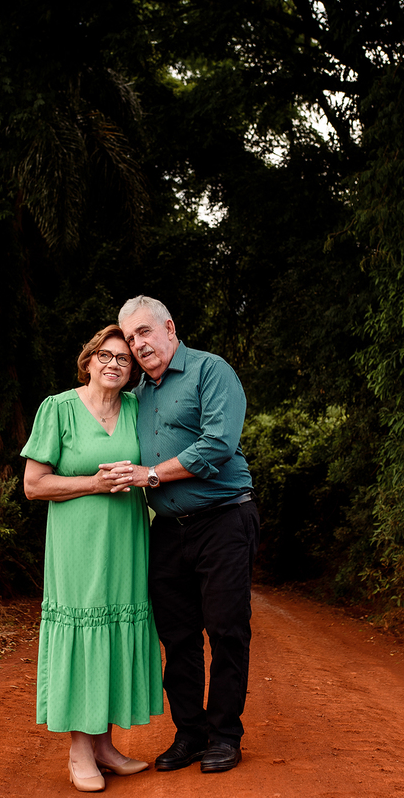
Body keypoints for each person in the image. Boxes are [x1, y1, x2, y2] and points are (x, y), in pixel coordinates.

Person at [100, 295, 260, 775]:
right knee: (178, 636)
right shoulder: (139, 394)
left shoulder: (211, 371)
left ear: (169, 327)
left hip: (224, 518)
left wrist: (150, 475)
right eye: (130, 338)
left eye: (144, 332)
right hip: (168, 529)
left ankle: (225, 736)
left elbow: (217, 445)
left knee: (227, 629)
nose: (137, 344)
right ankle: (190, 732)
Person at [21, 325, 164, 793]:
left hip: (125, 539)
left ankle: (103, 746)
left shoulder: (137, 410)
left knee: (114, 627)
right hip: (77, 544)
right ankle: (79, 750)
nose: (114, 364)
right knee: (85, 628)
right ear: (88, 360)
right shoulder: (58, 408)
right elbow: (34, 484)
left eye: (124, 359)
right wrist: (93, 484)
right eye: (106, 355)